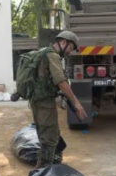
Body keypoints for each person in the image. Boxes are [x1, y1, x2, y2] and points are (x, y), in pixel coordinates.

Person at [32, 31, 87, 168]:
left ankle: (49, 168)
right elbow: (61, 82)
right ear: (63, 42)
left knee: (48, 136)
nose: (70, 52)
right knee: (49, 141)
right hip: (45, 104)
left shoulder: (43, 52)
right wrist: (76, 102)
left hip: (38, 102)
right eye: (70, 48)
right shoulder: (52, 56)